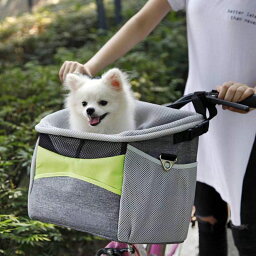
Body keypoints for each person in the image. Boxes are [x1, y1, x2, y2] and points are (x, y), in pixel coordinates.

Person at [59, 1, 256, 255]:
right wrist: (88, 69)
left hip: (249, 128)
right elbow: (141, 23)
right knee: (208, 224)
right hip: (198, 122)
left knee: (249, 235)